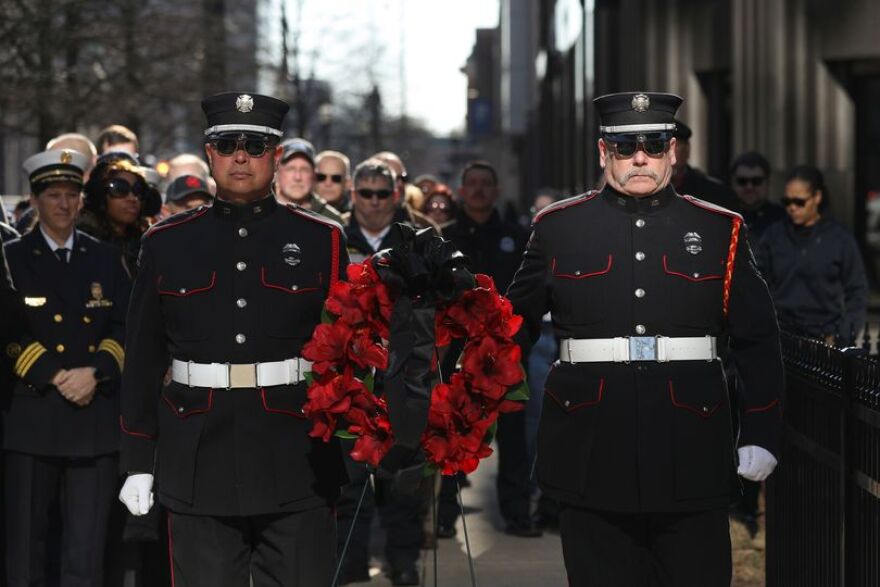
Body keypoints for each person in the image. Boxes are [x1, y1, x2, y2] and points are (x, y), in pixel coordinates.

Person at [506, 92, 783, 586]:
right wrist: (473, 400)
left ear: (673, 152)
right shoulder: (558, 228)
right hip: (589, 452)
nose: (639, 157)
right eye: (625, 146)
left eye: (653, 145)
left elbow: (758, 339)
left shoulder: (720, 229)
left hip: (691, 452)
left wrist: (761, 432)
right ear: (602, 152)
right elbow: (511, 328)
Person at [117, 92, 348, 587]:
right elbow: (142, 359)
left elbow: (347, 351)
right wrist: (138, 461)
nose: (240, 156)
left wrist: (358, 441)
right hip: (197, 460)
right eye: (227, 144)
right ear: (209, 153)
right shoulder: (165, 242)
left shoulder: (321, 240)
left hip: (297, 457)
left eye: (255, 146)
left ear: (278, 156)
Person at [3, 149, 130, 587]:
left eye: (71, 195)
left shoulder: (106, 258)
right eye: (53, 195)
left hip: (93, 417)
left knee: (86, 550)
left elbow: (125, 325)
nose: (63, 204)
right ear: (35, 200)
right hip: (32, 416)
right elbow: (6, 331)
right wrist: (55, 375)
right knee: (25, 551)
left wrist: (94, 372)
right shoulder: (12, 258)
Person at [335, 158, 434, 586]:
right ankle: (351, 564)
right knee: (349, 479)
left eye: (382, 193)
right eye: (366, 192)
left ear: (397, 194)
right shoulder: (332, 234)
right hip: (352, 373)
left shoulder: (423, 235)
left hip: (407, 368)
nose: (374, 202)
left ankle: (403, 561)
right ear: (353, 194)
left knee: (403, 477)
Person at [438, 160, 538, 538]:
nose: (479, 190)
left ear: (497, 191)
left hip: (505, 353)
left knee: (513, 438)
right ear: (461, 191)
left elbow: (528, 296)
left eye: (486, 184)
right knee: (451, 433)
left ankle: (517, 515)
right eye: (472, 184)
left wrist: (517, 340)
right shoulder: (443, 239)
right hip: (456, 353)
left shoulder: (519, 237)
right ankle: (445, 513)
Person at [756, 164, 868, 344]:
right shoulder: (773, 236)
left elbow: (857, 291)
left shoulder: (839, 238)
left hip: (827, 337)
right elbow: (758, 285)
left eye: (799, 202)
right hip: (782, 337)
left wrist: (843, 335)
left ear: (817, 197)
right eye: (787, 202)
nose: (792, 207)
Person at [79, 152, 161, 277]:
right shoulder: (81, 243)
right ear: (100, 195)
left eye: (138, 190)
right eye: (119, 189)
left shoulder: (147, 246)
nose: (132, 198)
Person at [671, 119, 740, 212]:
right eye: (658, 147)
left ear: (687, 150)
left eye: (674, 146)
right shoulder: (647, 192)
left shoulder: (716, 195)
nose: (666, 154)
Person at [275, 137, 346, 224]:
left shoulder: (333, 221)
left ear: (313, 175)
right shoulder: (258, 213)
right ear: (277, 171)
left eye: (305, 169)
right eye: (291, 169)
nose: (298, 177)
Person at [730, 150, 785, 241]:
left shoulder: (782, 219)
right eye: (742, 181)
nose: (749, 187)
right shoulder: (725, 218)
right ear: (733, 183)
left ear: (768, 183)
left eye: (756, 181)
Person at [315, 150, 352, 214]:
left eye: (336, 178)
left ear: (347, 183)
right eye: (321, 177)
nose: (328, 183)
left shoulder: (358, 218)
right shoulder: (299, 213)